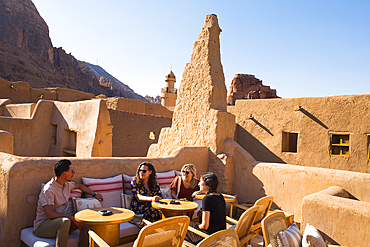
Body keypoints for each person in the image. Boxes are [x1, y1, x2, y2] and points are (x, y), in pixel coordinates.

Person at [33, 159, 103, 247]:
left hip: (63, 224)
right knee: (65, 221)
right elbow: (49, 214)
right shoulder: (49, 190)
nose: (73, 174)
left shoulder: (66, 185)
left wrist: (94, 194)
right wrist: (71, 218)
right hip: (43, 226)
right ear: (64, 174)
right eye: (72, 171)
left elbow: (80, 186)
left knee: (85, 221)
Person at [185, 172, 226, 245]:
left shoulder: (207, 199)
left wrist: (196, 227)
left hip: (208, 237)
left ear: (207, 184)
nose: (198, 184)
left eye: (201, 181)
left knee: (185, 225)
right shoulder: (220, 196)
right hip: (219, 235)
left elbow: (205, 226)